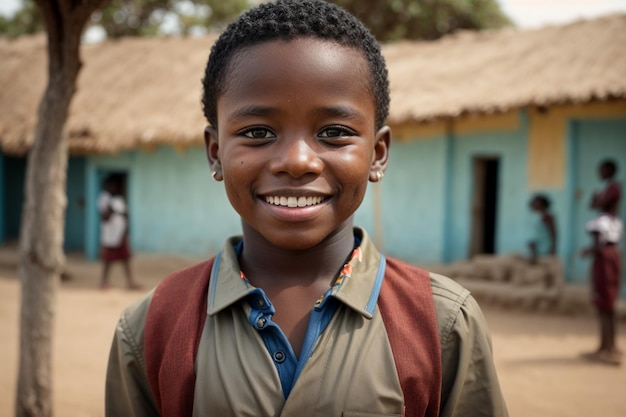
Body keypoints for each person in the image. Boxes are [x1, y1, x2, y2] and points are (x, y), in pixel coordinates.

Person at [105, 1, 508, 416]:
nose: (297, 161)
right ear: (215, 153)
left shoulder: (440, 324)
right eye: (258, 132)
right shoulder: (153, 327)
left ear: (378, 153)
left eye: (334, 133)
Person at [581, 159, 623, 366]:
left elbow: (599, 246)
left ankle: (607, 348)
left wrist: (587, 251)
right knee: (607, 303)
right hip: (611, 257)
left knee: (604, 302)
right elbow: (593, 202)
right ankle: (607, 346)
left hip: (604, 261)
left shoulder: (603, 222)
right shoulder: (612, 221)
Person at [98, 174, 140, 290]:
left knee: (125, 258)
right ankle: (104, 282)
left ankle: (130, 283)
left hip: (120, 233)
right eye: (112, 185)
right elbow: (105, 217)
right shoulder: (104, 199)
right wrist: (112, 211)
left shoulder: (119, 199)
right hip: (110, 235)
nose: (114, 187)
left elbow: (126, 215)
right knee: (108, 260)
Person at [527, 194, 557, 264]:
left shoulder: (547, 216)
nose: (535, 206)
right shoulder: (535, 216)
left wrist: (553, 247)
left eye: (538, 204)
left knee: (544, 265)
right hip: (535, 246)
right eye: (534, 204)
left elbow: (553, 232)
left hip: (545, 246)